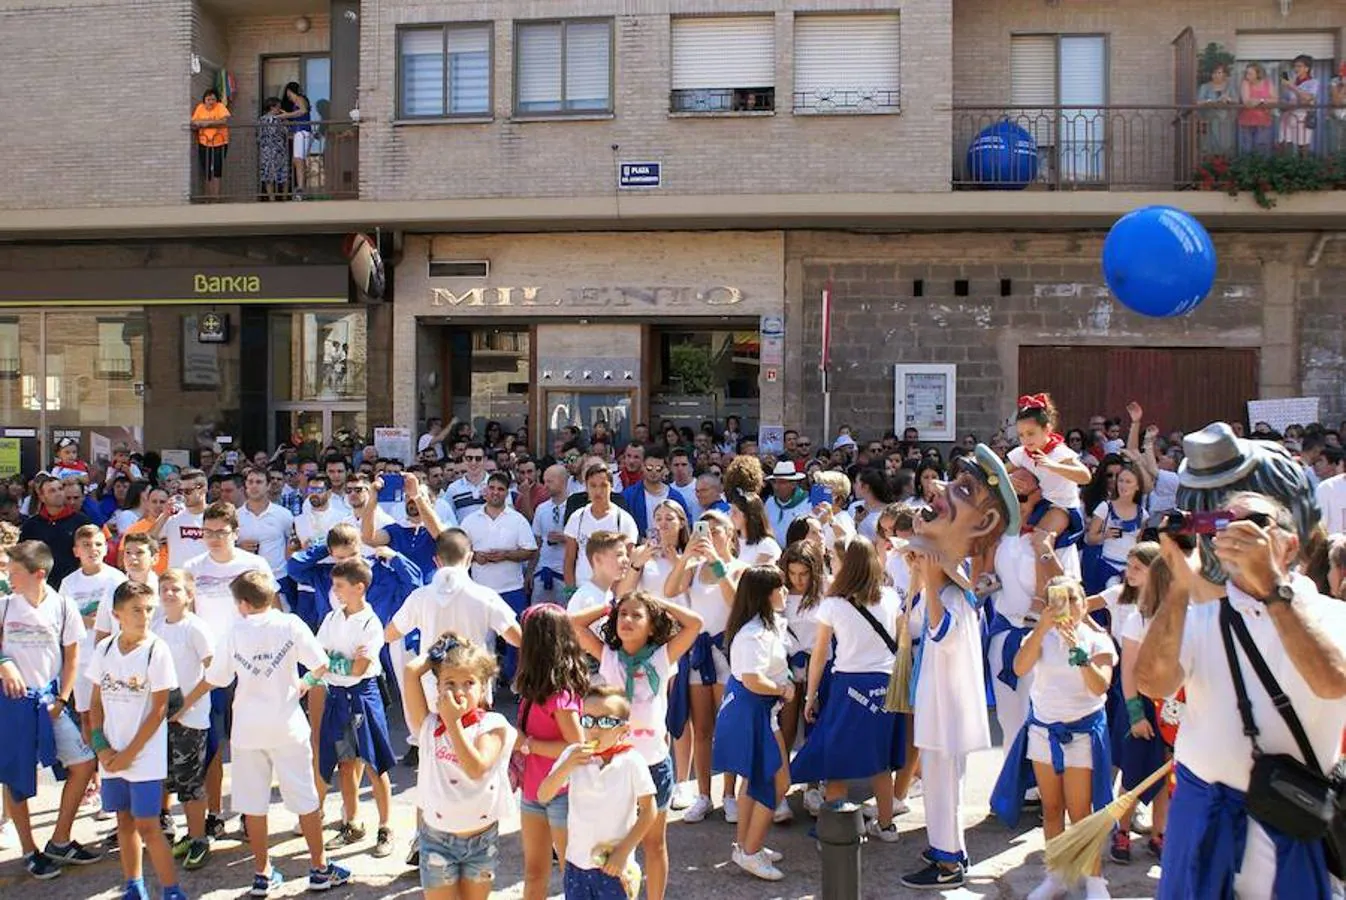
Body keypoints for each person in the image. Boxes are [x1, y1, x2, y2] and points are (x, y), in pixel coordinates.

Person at [1136, 422, 1346, 899]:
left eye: (1252, 525)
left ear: (1290, 543)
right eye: (1223, 524)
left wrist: (1272, 588)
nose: (1232, 536)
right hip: (1202, 816)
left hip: (1289, 819)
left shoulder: (1332, 615)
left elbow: (1332, 681)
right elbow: (1152, 681)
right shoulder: (1202, 615)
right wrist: (1178, 585)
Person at [900, 445, 1016, 889]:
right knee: (937, 781)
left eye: (964, 489)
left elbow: (940, 633)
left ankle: (949, 860)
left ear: (983, 524)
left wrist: (930, 586)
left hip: (946, 713)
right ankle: (944, 846)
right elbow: (912, 625)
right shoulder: (950, 585)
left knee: (943, 783)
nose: (942, 491)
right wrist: (922, 577)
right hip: (936, 705)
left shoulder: (955, 597)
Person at [204, 571, 350, 895]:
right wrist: (303, 685)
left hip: (246, 728)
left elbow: (218, 676)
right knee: (305, 797)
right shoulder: (291, 624)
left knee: (253, 802)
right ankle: (319, 869)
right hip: (287, 724)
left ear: (242, 604)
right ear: (270, 596)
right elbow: (321, 664)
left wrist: (186, 699)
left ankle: (262, 873)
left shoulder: (232, 632)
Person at [571, 591, 703, 900]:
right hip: (615, 766)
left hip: (652, 764)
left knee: (654, 843)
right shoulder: (610, 658)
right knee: (614, 845)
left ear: (652, 626)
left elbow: (694, 623)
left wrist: (654, 600)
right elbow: (573, 624)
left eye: (636, 615)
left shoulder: (661, 657)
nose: (627, 620)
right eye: (622, 615)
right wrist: (609, 605)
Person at [992, 577, 1116, 900]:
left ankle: (1094, 880)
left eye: (1073, 599)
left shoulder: (1097, 640)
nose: (1068, 607)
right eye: (1058, 601)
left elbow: (1100, 686)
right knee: (1051, 808)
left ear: (1085, 603)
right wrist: (1042, 629)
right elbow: (1019, 668)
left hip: (1082, 734)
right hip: (1043, 732)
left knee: (1081, 813)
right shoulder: (1040, 638)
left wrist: (1077, 649)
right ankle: (1057, 876)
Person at [791, 537, 904, 843]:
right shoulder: (891, 598)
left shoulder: (832, 604)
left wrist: (810, 696)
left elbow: (819, 655)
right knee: (881, 760)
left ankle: (833, 833)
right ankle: (886, 825)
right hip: (886, 685)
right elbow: (902, 641)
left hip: (848, 686)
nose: (832, 564)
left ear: (846, 564)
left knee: (836, 762)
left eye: (835, 559)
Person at [0, 540, 102, 879]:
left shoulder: (62, 606)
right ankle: (29, 850)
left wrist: (63, 699)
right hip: (12, 703)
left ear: (38, 574)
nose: (8, 576)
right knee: (17, 776)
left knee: (84, 762)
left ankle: (60, 840)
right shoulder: (3, 605)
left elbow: (72, 656)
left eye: (14, 572)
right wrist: (4, 664)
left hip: (48, 701)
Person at [86, 581, 187, 900]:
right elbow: (96, 701)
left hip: (143, 757)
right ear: (117, 614)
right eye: (136, 610)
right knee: (124, 821)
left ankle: (171, 890)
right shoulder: (103, 649)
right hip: (111, 756)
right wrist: (101, 746)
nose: (144, 616)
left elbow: (159, 710)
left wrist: (129, 754)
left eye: (148, 610)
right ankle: (134, 886)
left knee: (148, 825)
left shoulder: (157, 650)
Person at [404, 632, 515, 900]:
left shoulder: (493, 725)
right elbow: (410, 672)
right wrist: (439, 653)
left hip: (481, 842)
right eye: (449, 682)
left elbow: (476, 768)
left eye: (469, 682)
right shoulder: (430, 726)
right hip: (436, 840)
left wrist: (453, 723)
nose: (458, 691)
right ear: (438, 687)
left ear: (483, 686)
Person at [537, 684, 657, 900]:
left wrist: (623, 852)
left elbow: (649, 811)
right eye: (588, 720)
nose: (594, 729)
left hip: (615, 866)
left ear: (623, 730)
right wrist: (567, 765)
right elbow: (543, 794)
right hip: (577, 864)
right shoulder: (573, 755)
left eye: (605, 722)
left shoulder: (632, 761)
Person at [712, 566, 794, 881]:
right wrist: (783, 690)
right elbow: (752, 680)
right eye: (781, 587)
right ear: (765, 595)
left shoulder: (766, 625)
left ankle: (746, 845)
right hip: (753, 712)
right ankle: (749, 851)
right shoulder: (752, 634)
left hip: (761, 712)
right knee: (777, 782)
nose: (785, 592)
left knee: (756, 780)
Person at [664, 510, 745, 824]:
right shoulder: (694, 569)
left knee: (727, 727)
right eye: (705, 530)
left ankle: (728, 794)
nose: (711, 535)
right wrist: (685, 558)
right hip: (699, 655)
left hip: (727, 653)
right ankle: (703, 795)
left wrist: (716, 563)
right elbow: (670, 590)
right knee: (702, 728)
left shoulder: (738, 568)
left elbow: (737, 602)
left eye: (717, 530)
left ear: (730, 535)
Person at [315, 557, 396, 858]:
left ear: (359, 588)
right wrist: (341, 662)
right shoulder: (332, 618)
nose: (334, 590)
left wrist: (336, 662)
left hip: (364, 695)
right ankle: (352, 822)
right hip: (337, 696)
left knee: (375, 765)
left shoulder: (371, 623)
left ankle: (385, 826)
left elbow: (360, 668)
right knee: (346, 763)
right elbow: (317, 657)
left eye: (339, 586)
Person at [513, 603, 589, 900]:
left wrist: (528, 744)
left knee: (572, 877)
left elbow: (577, 747)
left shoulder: (561, 695)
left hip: (561, 794)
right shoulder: (537, 687)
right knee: (533, 874)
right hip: (533, 793)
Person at [155, 569, 215, 871]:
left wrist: (185, 706)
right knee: (169, 777)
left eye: (175, 589)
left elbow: (213, 673)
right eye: (164, 588)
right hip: (162, 718)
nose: (168, 594)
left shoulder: (196, 629)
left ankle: (199, 839)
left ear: (189, 595)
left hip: (190, 719)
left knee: (191, 783)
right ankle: (185, 834)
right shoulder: (156, 626)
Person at [460, 472, 537, 682]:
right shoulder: (470, 520)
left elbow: (530, 550)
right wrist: (475, 556)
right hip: (480, 590)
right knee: (482, 642)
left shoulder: (517, 519)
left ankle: (517, 684)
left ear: (506, 492)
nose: (495, 493)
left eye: (500, 489)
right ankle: (484, 687)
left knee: (516, 641)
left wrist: (506, 555)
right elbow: (460, 551)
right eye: (492, 488)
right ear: (485, 490)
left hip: (511, 589)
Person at [779, 540, 829, 816]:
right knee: (785, 729)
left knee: (814, 727)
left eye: (803, 574)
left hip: (818, 668)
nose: (797, 580)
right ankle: (781, 788)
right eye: (793, 573)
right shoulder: (781, 593)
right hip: (788, 667)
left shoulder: (826, 591)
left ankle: (813, 787)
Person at [1008, 393, 1091, 514]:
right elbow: (999, 471)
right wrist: (1008, 479)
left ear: (1046, 429)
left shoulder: (1059, 452)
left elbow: (1085, 477)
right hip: (1038, 506)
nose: (1026, 439)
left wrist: (1053, 465)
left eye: (1031, 433)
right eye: (1021, 435)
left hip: (1063, 508)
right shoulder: (1021, 453)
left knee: (1043, 533)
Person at [564, 464, 638, 591]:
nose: (598, 491)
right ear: (586, 487)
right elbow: (569, 559)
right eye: (593, 486)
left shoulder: (624, 520)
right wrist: (570, 590)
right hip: (582, 588)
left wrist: (619, 592)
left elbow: (630, 562)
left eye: (603, 485)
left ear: (611, 487)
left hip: (612, 591)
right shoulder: (577, 518)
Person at [1084, 462, 1147, 596]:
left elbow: (1138, 544)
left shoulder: (1143, 514)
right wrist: (1105, 535)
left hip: (1129, 571)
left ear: (1137, 486)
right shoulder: (1105, 507)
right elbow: (1090, 539)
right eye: (1121, 481)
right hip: (1105, 567)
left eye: (1128, 481)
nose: (1123, 485)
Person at [21, 474, 92, 585]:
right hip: (41, 584)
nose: (58, 493)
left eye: (60, 489)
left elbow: (89, 552)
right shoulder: (31, 525)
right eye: (52, 491)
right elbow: (23, 556)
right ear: (42, 497)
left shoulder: (81, 521)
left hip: (73, 584)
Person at [621, 446, 690, 541]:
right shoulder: (629, 495)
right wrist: (639, 540)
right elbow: (621, 527)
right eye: (649, 468)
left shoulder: (676, 497)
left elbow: (686, 527)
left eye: (658, 468)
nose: (653, 472)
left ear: (666, 469)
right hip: (640, 550)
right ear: (642, 467)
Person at [529, 464, 572, 607]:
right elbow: (537, 542)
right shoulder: (541, 509)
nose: (545, 485)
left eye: (550, 481)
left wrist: (565, 538)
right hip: (542, 572)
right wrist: (530, 572)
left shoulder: (576, 508)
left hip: (566, 575)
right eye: (544, 481)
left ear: (562, 481)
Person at [151, 469, 209, 569]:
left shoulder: (214, 515)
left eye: (188, 491)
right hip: (178, 580)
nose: (184, 495)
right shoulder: (172, 515)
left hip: (206, 579)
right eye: (181, 491)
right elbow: (149, 540)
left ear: (203, 489)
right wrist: (164, 515)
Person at [190, 89, 230, 200]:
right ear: (204, 100)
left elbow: (224, 120)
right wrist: (198, 124)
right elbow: (193, 122)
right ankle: (208, 196)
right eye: (208, 99)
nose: (211, 102)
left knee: (217, 169)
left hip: (220, 142)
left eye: (213, 99)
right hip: (204, 142)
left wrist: (207, 123)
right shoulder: (200, 108)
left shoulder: (220, 107)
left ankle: (216, 196)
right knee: (206, 169)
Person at [1278, 54, 1320, 158]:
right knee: (1285, 143)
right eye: (1295, 66)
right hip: (1288, 115)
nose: (1296, 69)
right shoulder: (1291, 80)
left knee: (1303, 144)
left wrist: (1292, 86)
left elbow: (1308, 98)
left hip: (1303, 117)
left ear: (1307, 68)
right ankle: (1286, 167)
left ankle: (1303, 169)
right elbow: (1284, 97)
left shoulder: (1313, 82)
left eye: (1299, 66)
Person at [278, 82, 312, 200]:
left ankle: (301, 189)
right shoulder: (296, 101)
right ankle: (300, 187)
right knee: (297, 160)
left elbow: (303, 111)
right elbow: (299, 115)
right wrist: (287, 118)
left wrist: (287, 115)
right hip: (299, 132)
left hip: (302, 132)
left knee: (298, 160)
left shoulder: (300, 99)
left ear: (289, 91)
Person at [764, 463, 810, 541]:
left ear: (793, 484)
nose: (776, 486)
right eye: (774, 482)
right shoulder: (769, 502)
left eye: (781, 482)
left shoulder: (807, 503)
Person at [1239, 62, 1275, 156]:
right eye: (1246, 73)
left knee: (1263, 149)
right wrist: (1265, 101)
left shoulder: (1268, 83)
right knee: (1247, 149)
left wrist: (1260, 100)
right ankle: (1246, 170)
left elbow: (1275, 100)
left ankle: (1262, 170)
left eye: (1250, 73)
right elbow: (1247, 101)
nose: (1247, 76)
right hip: (1247, 120)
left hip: (1264, 120)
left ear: (1258, 74)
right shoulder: (1245, 83)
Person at [257, 96, 289, 201]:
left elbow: (258, 136)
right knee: (283, 175)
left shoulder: (261, 119)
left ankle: (272, 199)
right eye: (278, 107)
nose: (279, 109)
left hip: (266, 150)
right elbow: (286, 131)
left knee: (268, 176)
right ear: (272, 107)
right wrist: (285, 117)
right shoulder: (278, 119)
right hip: (278, 150)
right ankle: (283, 198)